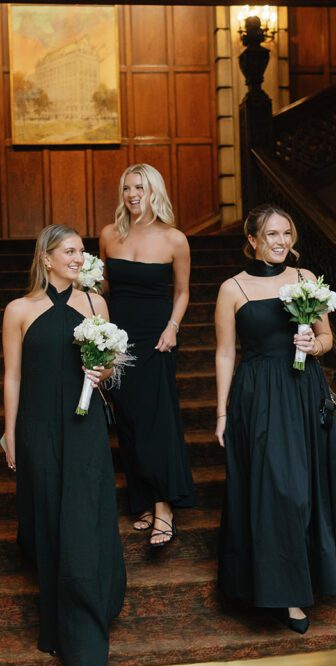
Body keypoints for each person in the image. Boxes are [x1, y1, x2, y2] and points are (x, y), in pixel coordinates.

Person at [214, 204, 336, 633]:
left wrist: (313, 344)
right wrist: (221, 412)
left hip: (303, 392)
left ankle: (303, 584)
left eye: (287, 234)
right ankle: (282, 593)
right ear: (253, 240)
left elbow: (329, 338)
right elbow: (225, 352)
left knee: (305, 489)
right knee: (276, 491)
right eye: (272, 235)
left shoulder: (307, 279)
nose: (281, 242)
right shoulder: (232, 289)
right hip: (257, 396)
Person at [2, 224, 126, 666]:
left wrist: (104, 368)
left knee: (82, 525)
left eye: (82, 250)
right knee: (49, 524)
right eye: (70, 250)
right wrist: (10, 433)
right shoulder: (18, 310)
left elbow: (111, 368)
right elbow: (12, 377)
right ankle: (59, 623)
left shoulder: (95, 303)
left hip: (84, 427)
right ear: (47, 257)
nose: (80, 257)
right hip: (37, 427)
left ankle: (86, 649)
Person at [99, 164, 196, 548]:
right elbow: (103, 288)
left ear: (154, 190)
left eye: (139, 187)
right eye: (126, 188)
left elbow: (183, 291)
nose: (132, 194)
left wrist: (173, 327)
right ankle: (141, 499)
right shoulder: (109, 235)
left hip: (157, 338)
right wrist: (102, 337)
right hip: (118, 338)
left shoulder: (175, 240)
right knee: (128, 420)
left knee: (157, 421)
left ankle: (164, 508)